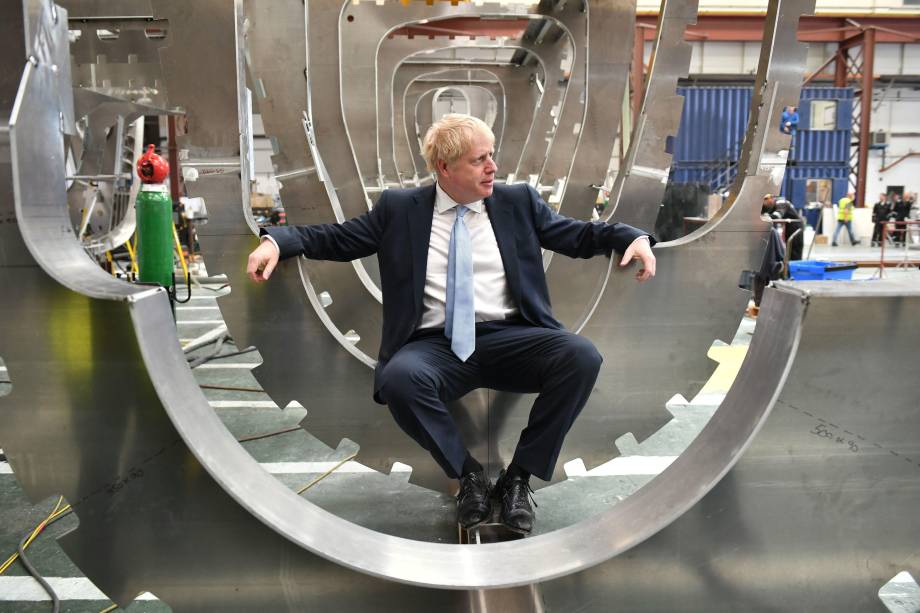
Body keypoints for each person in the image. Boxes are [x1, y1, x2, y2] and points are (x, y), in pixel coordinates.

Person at [246, 114, 657, 534]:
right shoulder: (399, 209)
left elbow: (579, 234)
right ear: (445, 168)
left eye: (491, 156)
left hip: (513, 336)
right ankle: (469, 477)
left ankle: (519, 478)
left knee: (581, 357)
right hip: (437, 346)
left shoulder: (518, 201)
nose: (492, 167)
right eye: (480, 159)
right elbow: (336, 238)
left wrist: (633, 237)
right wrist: (275, 241)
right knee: (400, 379)